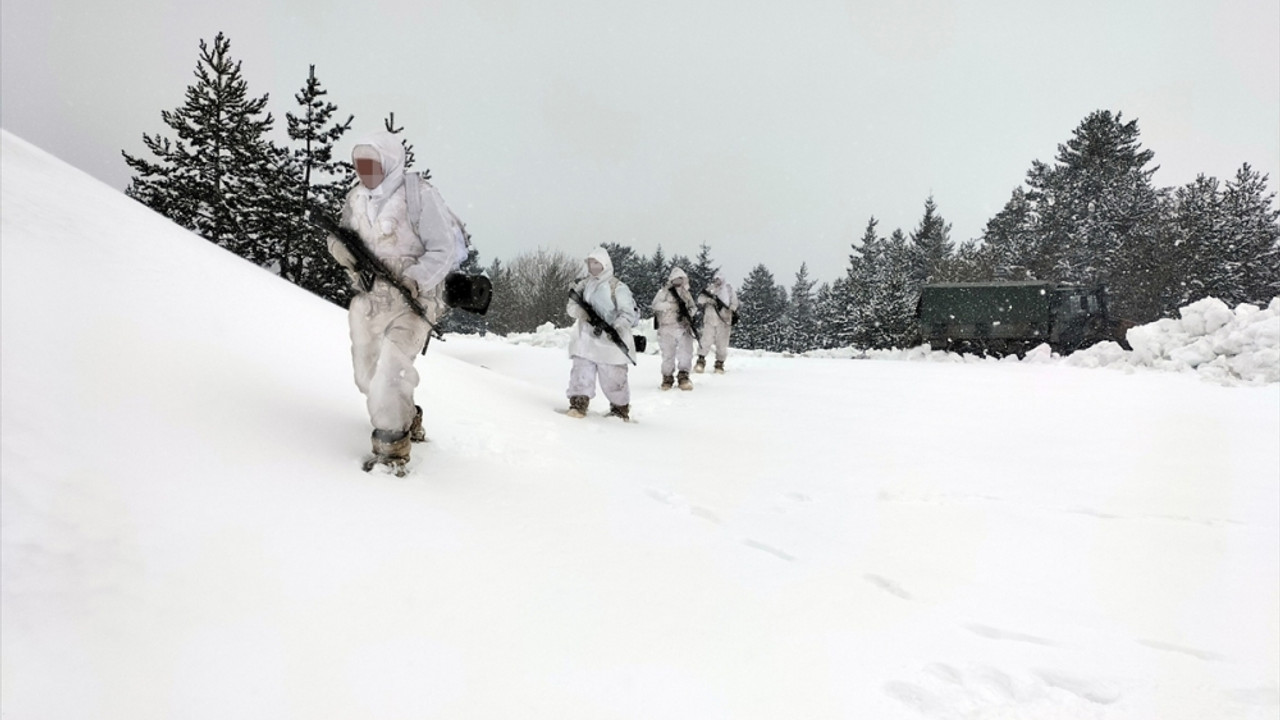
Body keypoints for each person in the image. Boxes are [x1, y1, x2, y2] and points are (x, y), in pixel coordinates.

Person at [325, 131, 467, 471]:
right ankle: (407, 415)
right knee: (367, 378)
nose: (363, 171)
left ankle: (392, 451)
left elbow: (442, 249)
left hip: (414, 300)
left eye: (371, 164)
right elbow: (341, 236)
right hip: (371, 301)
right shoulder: (357, 198)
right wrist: (343, 253)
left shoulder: (418, 196)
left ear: (388, 162)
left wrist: (414, 279)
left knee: (391, 372)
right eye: (358, 164)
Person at [565, 247, 639, 421]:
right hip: (586, 338)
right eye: (591, 263)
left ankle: (620, 410)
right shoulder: (584, 285)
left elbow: (628, 313)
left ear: (605, 264)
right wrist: (584, 315)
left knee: (614, 379)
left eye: (597, 263)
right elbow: (572, 306)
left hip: (612, 342)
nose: (593, 267)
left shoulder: (618, 287)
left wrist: (616, 327)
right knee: (581, 372)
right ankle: (578, 404)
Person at [651, 266, 698, 391]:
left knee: (686, 353)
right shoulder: (664, 293)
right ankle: (667, 377)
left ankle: (683, 376)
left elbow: (693, 308)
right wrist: (669, 306)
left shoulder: (686, 294)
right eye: (676, 279)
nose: (678, 282)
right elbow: (655, 305)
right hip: (666, 327)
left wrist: (688, 315)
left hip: (683, 327)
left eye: (680, 279)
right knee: (667, 354)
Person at [695, 273, 739, 374]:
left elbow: (734, 302)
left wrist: (730, 310)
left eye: (719, 280)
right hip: (710, 320)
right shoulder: (710, 289)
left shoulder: (728, 290)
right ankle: (700, 361)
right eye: (716, 279)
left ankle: (719, 363)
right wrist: (708, 300)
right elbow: (700, 299)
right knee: (706, 341)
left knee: (722, 343)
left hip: (724, 321)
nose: (717, 282)